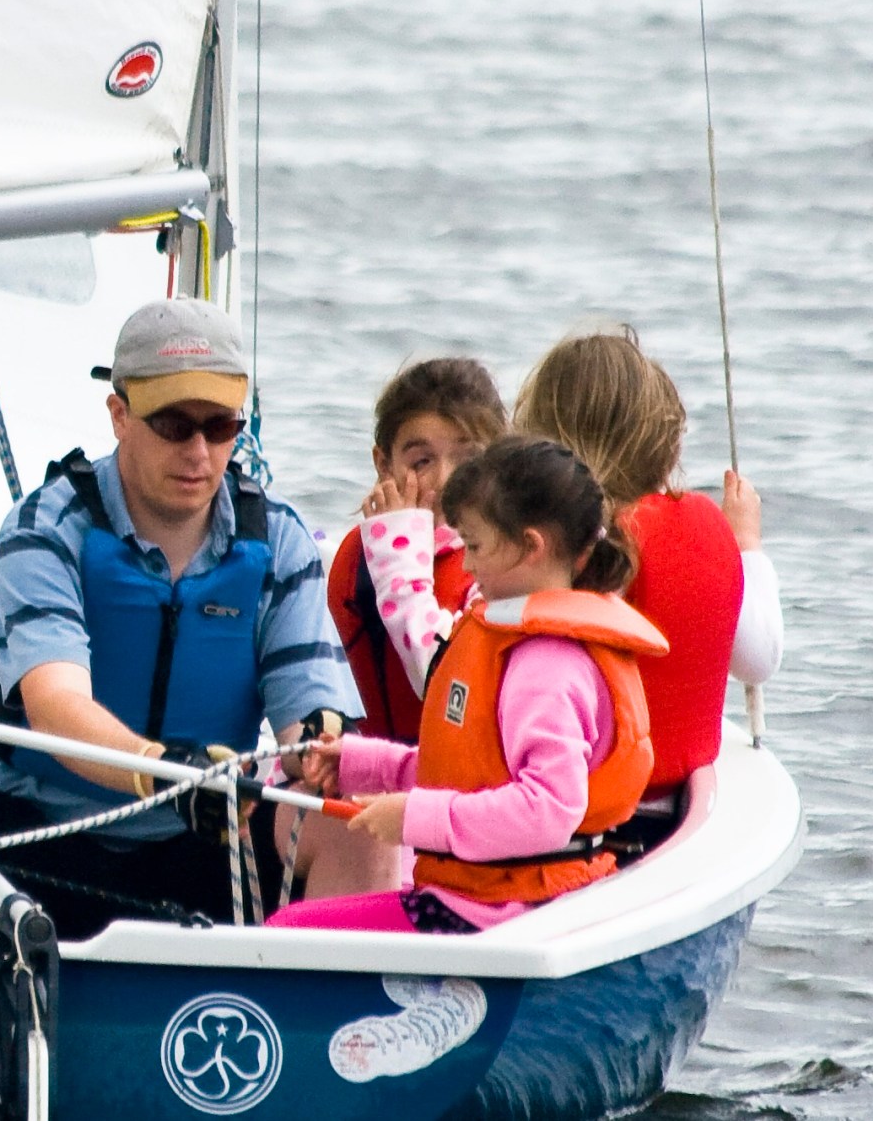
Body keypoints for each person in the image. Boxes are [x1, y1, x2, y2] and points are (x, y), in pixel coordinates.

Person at [0, 298, 394, 936]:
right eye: (173, 424)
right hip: (32, 843)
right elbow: (56, 704)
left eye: (220, 426)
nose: (199, 451)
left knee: (359, 812)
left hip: (207, 849)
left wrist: (322, 746)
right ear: (119, 415)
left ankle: (324, 999)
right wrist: (168, 774)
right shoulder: (45, 529)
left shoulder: (278, 540)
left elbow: (309, 722)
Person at [269, 436, 664, 933]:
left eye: (474, 546)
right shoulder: (515, 643)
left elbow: (548, 810)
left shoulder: (546, 667)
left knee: (288, 931)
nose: (468, 565)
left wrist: (414, 819)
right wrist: (359, 763)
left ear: (531, 546)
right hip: (494, 896)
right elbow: (471, 771)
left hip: (503, 909)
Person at [513, 327, 783, 839]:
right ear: (664, 439)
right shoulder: (702, 531)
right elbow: (759, 659)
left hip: (568, 821)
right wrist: (746, 545)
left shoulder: (552, 551)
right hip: (671, 816)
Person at [328, 358, 507, 742]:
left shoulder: (504, 562)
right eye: (422, 461)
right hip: (370, 769)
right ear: (384, 464)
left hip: (459, 774)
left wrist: (399, 562)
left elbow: (450, 685)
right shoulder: (358, 554)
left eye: (469, 460)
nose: (445, 480)